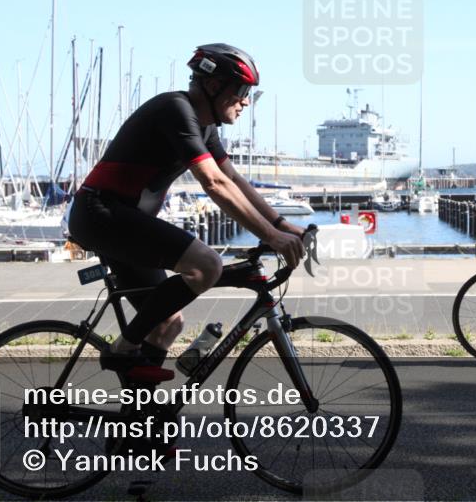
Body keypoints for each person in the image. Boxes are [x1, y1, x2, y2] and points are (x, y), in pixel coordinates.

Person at [68, 43, 305, 381]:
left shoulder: (204, 125)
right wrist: (271, 236)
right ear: (212, 86)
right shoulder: (175, 110)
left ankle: (139, 424)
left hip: (123, 220)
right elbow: (213, 183)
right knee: (207, 264)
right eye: (241, 90)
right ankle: (122, 348)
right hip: (100, 214)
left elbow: (232, 178)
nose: (246, 101)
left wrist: (282, 224)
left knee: (166, 325)